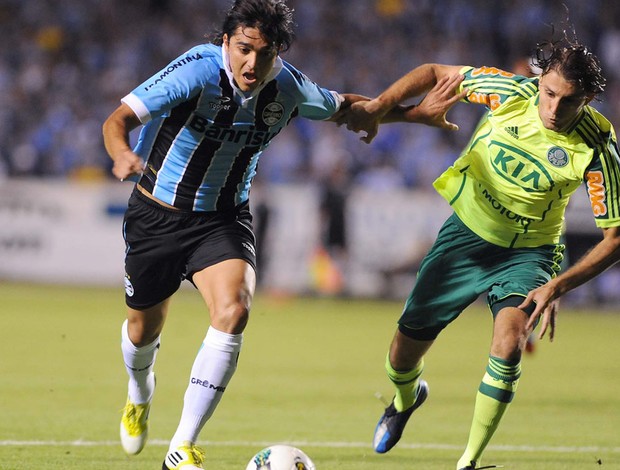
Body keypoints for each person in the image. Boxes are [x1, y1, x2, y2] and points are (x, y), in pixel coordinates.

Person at [101, 1, 466, 468]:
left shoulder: (288, 87)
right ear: (226, 41)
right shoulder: (195, 70)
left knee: (233, 311)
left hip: (222, 220)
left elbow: (350, 111)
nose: (252, 63)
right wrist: (120, 155)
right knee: (142, 328)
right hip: (157, 214)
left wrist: (413, 115)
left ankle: (182, 443)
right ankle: (138, 393)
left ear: (278, 52)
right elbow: (118, 121)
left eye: (265, 53)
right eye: (243, 49)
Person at [346, 32, 620, 470]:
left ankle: (468, 462)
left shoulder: (598, 145)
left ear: (586, 99)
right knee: (402, 355)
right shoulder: (509, 92)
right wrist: (380, 107)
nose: (552, 108)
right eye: (548, 93)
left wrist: (558, 285)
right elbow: (436, 73)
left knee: (509, 345)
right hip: (465, 238)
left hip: (529, 253)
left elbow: (615, 237)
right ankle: (406, 397)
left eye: (567, 101)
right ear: (539, 80)